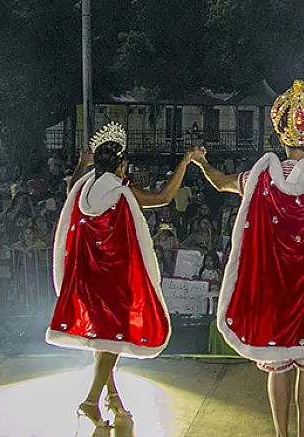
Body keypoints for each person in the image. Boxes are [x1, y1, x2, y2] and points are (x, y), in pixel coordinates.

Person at [194, 80, 304, 437]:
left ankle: (281, 434)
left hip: (274, 291)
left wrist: (201, 162)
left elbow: (221, 182)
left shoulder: (258, 178)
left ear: (282, 138)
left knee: (278, 365)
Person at [47, 122, 196, 436]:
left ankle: (113, 400)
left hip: (86, 277)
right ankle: (90, 401)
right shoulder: (120, 190)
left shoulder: (84, 186)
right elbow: (163, 197)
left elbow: (70, 185)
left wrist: (81, 163)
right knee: (113, 337)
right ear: (121, 163)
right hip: (112, 278)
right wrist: (184, 163)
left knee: (103, 339)